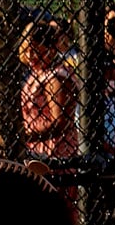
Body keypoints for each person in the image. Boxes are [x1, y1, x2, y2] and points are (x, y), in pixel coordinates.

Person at [13, 22, 73, 172]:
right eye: (26, 50)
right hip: (35, 149)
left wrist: (25, 137)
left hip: (52, 150)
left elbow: (58, 123)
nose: (29, 56)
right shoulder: (38, 72)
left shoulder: (55, 77)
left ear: (50, 49)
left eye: (35, 51)